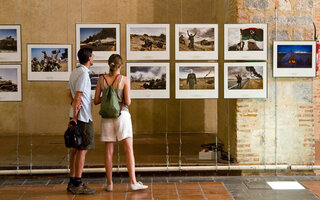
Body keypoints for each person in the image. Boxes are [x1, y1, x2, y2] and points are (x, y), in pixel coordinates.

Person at [94, 54, 148, 192]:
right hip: (122, 115)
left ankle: (110, 184)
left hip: (106, 117)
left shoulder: (102, 79)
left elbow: (96, 101)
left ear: (109, 64)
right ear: (120, 66)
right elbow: (128, 102)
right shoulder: (124, 79)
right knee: (128, 149)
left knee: (109, 151)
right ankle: (133, 182)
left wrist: (107, 97)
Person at [66, 48, 95, 195]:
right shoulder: (83, 74)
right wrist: (76, 119)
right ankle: (77, 183)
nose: (93, 57)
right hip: (82, 118)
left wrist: (72, 115)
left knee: (75, 149)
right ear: (89, 58)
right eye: (92, 55)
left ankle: (72, 181)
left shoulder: (74, 72)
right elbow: (78, 96)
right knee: (82, 150)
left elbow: (67, 94)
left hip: (75, 115)